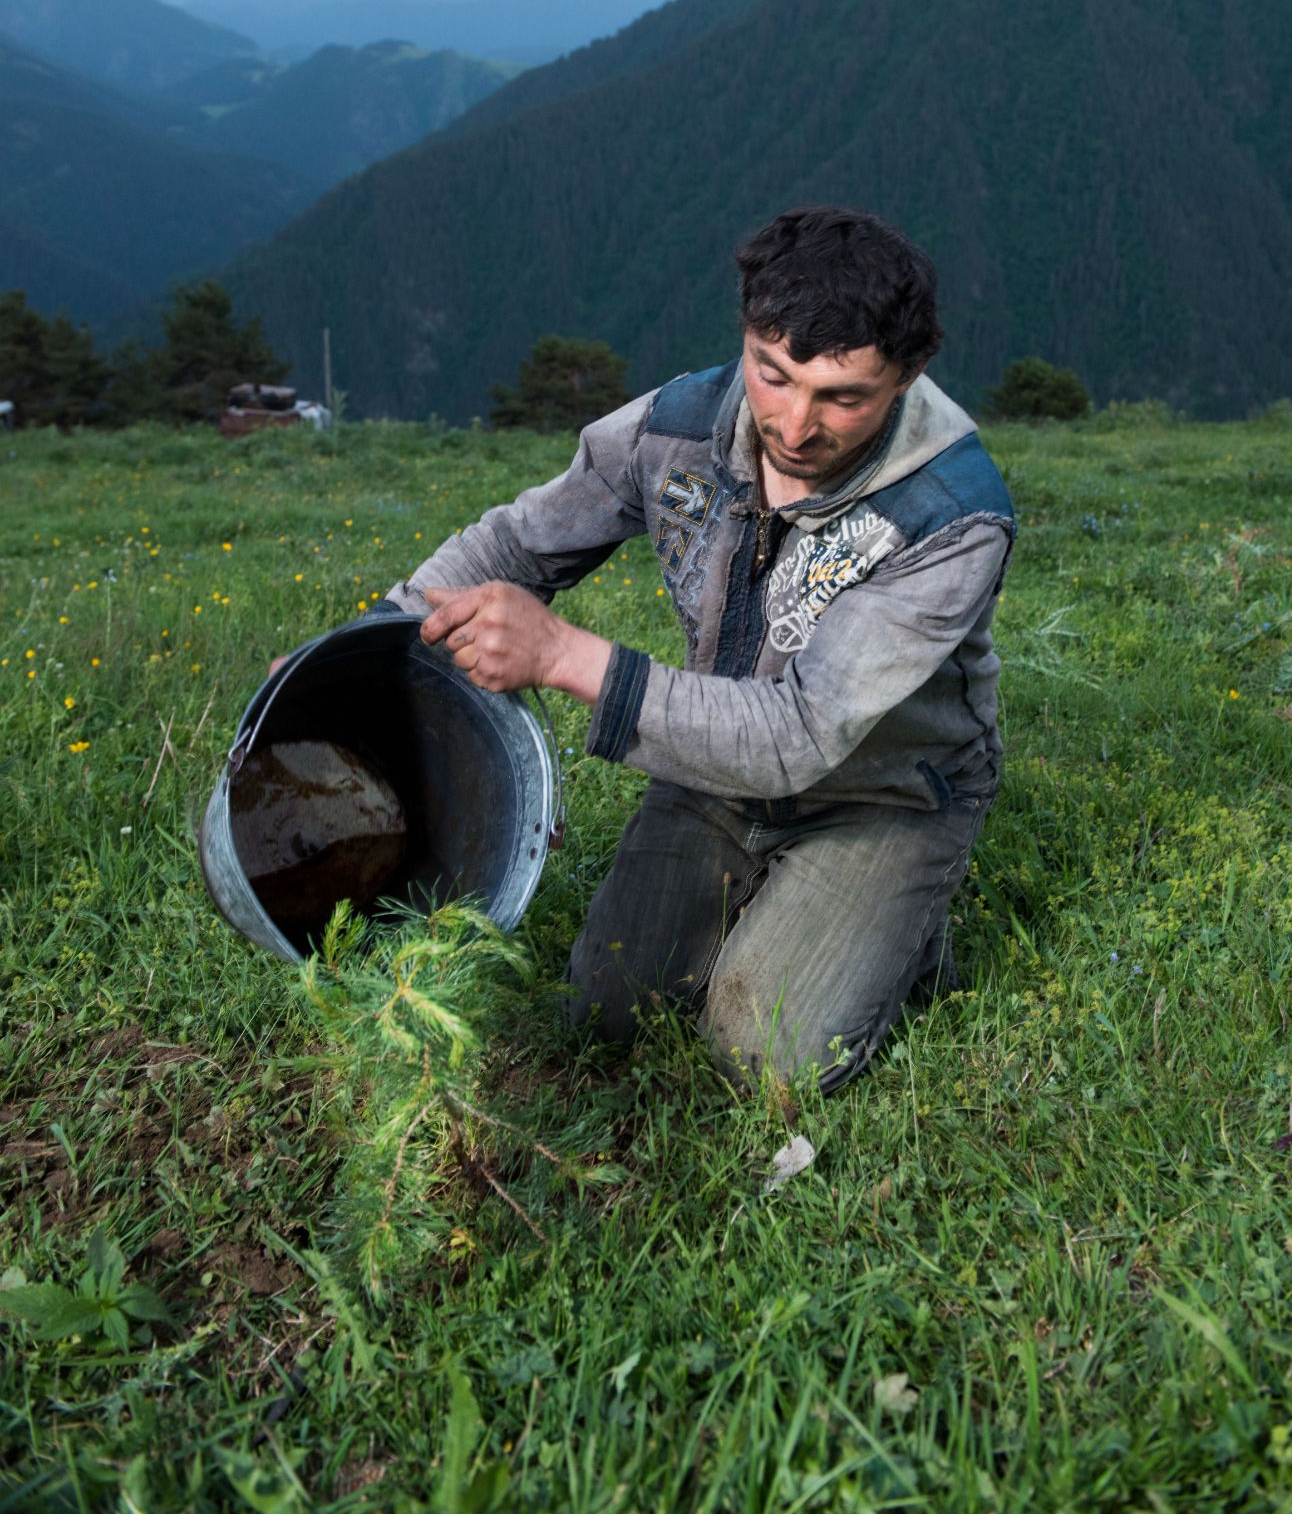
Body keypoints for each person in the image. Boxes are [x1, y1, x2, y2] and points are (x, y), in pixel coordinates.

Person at [388, 206, 1016, 1091]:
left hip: (881, 794)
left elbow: (799, 734)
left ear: (908, 375)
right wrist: (363, 648)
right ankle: (779, 902)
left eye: (844, 397)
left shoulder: (950, 517)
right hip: (711, 775)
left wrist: (565, 656)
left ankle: (902, 923)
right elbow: (517, 546)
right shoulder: (674, 427)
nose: (796, 426)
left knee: (765, 1055)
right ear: (748, 338)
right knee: (605, 1008)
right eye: (774, 375)